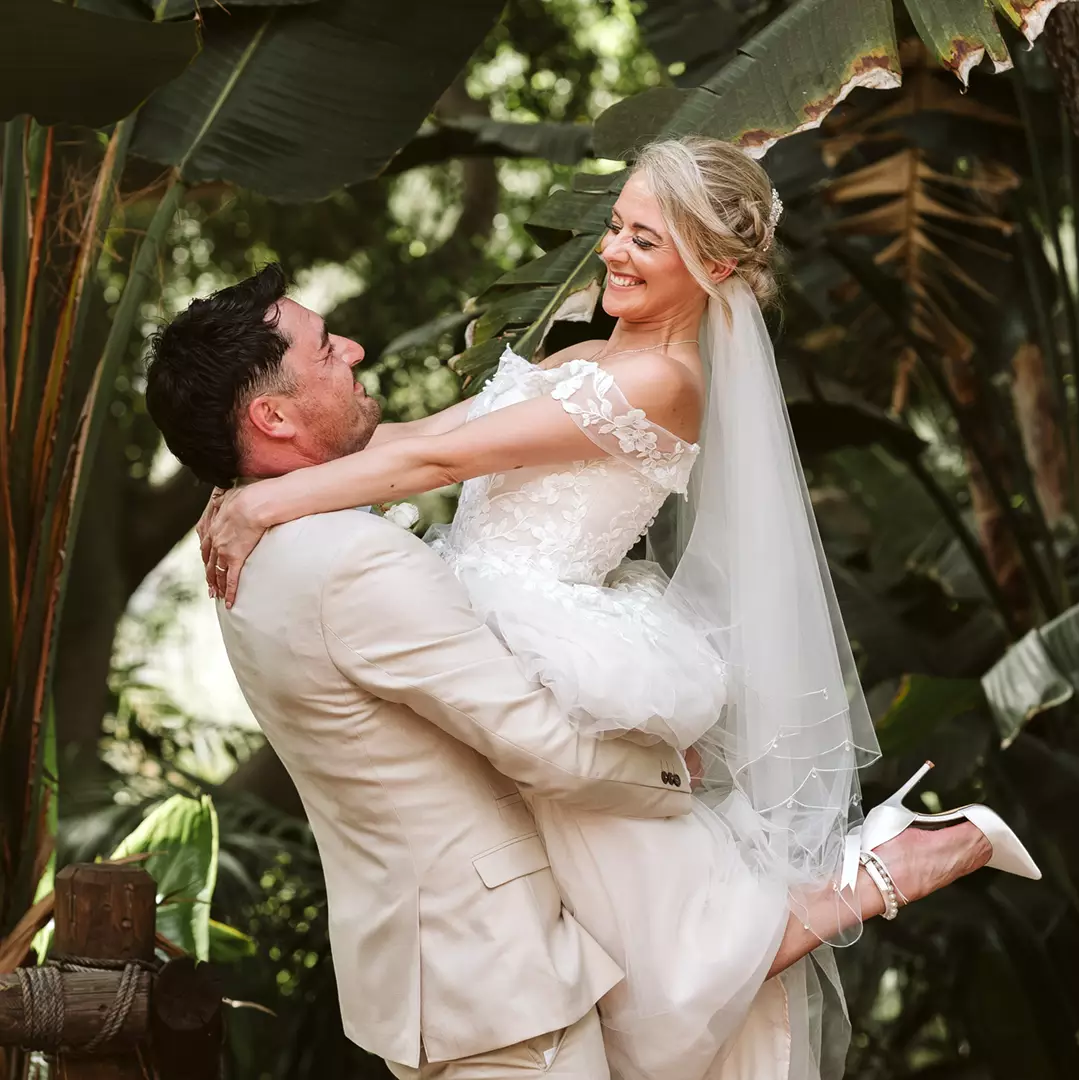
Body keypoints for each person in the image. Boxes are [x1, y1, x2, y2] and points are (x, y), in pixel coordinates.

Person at [152, 136, 1040, 1080]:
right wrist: (235, 487)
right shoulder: (584, 354)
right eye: (617, 226)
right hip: (492, 615)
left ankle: (878, 875)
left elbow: (439, 465)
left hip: (553, 642)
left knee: (659, 962)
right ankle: (864, 874)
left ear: (717, 267)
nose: (613, 250)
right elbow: (416, 432)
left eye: (646, 241)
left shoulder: (663, 381)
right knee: (629, 946)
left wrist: (265, 499)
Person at [145, 263, 698, 1080]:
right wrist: (678, 772)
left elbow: (429, 444)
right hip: (497, 988)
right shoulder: (354, 559)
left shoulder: (250, 544)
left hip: (425, 972)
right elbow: (549, 747)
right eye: (328, 349)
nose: (356, 350)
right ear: (272, 414)